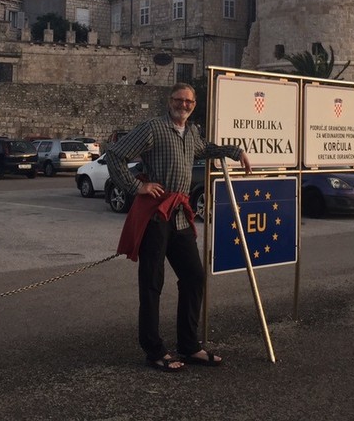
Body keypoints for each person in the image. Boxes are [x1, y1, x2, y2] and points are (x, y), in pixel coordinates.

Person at [105, 82, 252, 373]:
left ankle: (189, 345)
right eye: (178, 100)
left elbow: (205, 148)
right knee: (152, 282)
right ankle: (154, 349)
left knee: (194, 277)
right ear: (169, 101)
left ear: (193, 105)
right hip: (156, 216)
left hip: (181, 217)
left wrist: (236, 152)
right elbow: (115, 154)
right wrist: (138, 186)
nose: (183, 105)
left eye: (188, 101)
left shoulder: (192, 132)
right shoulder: (153, 128)